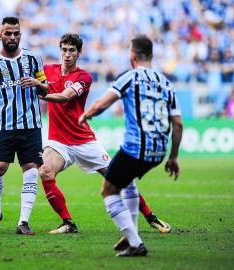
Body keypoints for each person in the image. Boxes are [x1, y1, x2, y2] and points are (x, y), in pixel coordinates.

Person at [40, 33, 171, 235]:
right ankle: (68, 223)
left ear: (79, 53)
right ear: (60, 50)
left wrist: (39, 91)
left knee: (120, 178)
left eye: (72, 50)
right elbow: (30, 78)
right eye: (64, 50)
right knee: (45, 171)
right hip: (58, 141)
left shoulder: (83, 77)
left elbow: (65, 97)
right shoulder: (48, 70)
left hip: (84, 140)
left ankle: (151, 217)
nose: (67, 54)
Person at [78, 34, 183, 256]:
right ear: (151, 55)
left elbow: (102, 104)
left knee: (108, 190)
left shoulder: (130, 77)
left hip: (136, 148)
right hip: (158, 151)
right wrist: (173, 157)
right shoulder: (166, 82)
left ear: (132, 55)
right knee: (127, 183)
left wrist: (85, 115)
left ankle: (135, 242)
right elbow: (178, 124)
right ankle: (131, 235)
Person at [0, 17, 48, 235]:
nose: (12, 37)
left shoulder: (33, 60)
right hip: (4, 126)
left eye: (16, 33)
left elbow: (47, 90)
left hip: (31, 125)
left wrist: (37, 84)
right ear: (0, 35)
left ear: (20, 35)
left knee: (32, 170)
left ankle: (23, 222)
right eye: (8, 33)